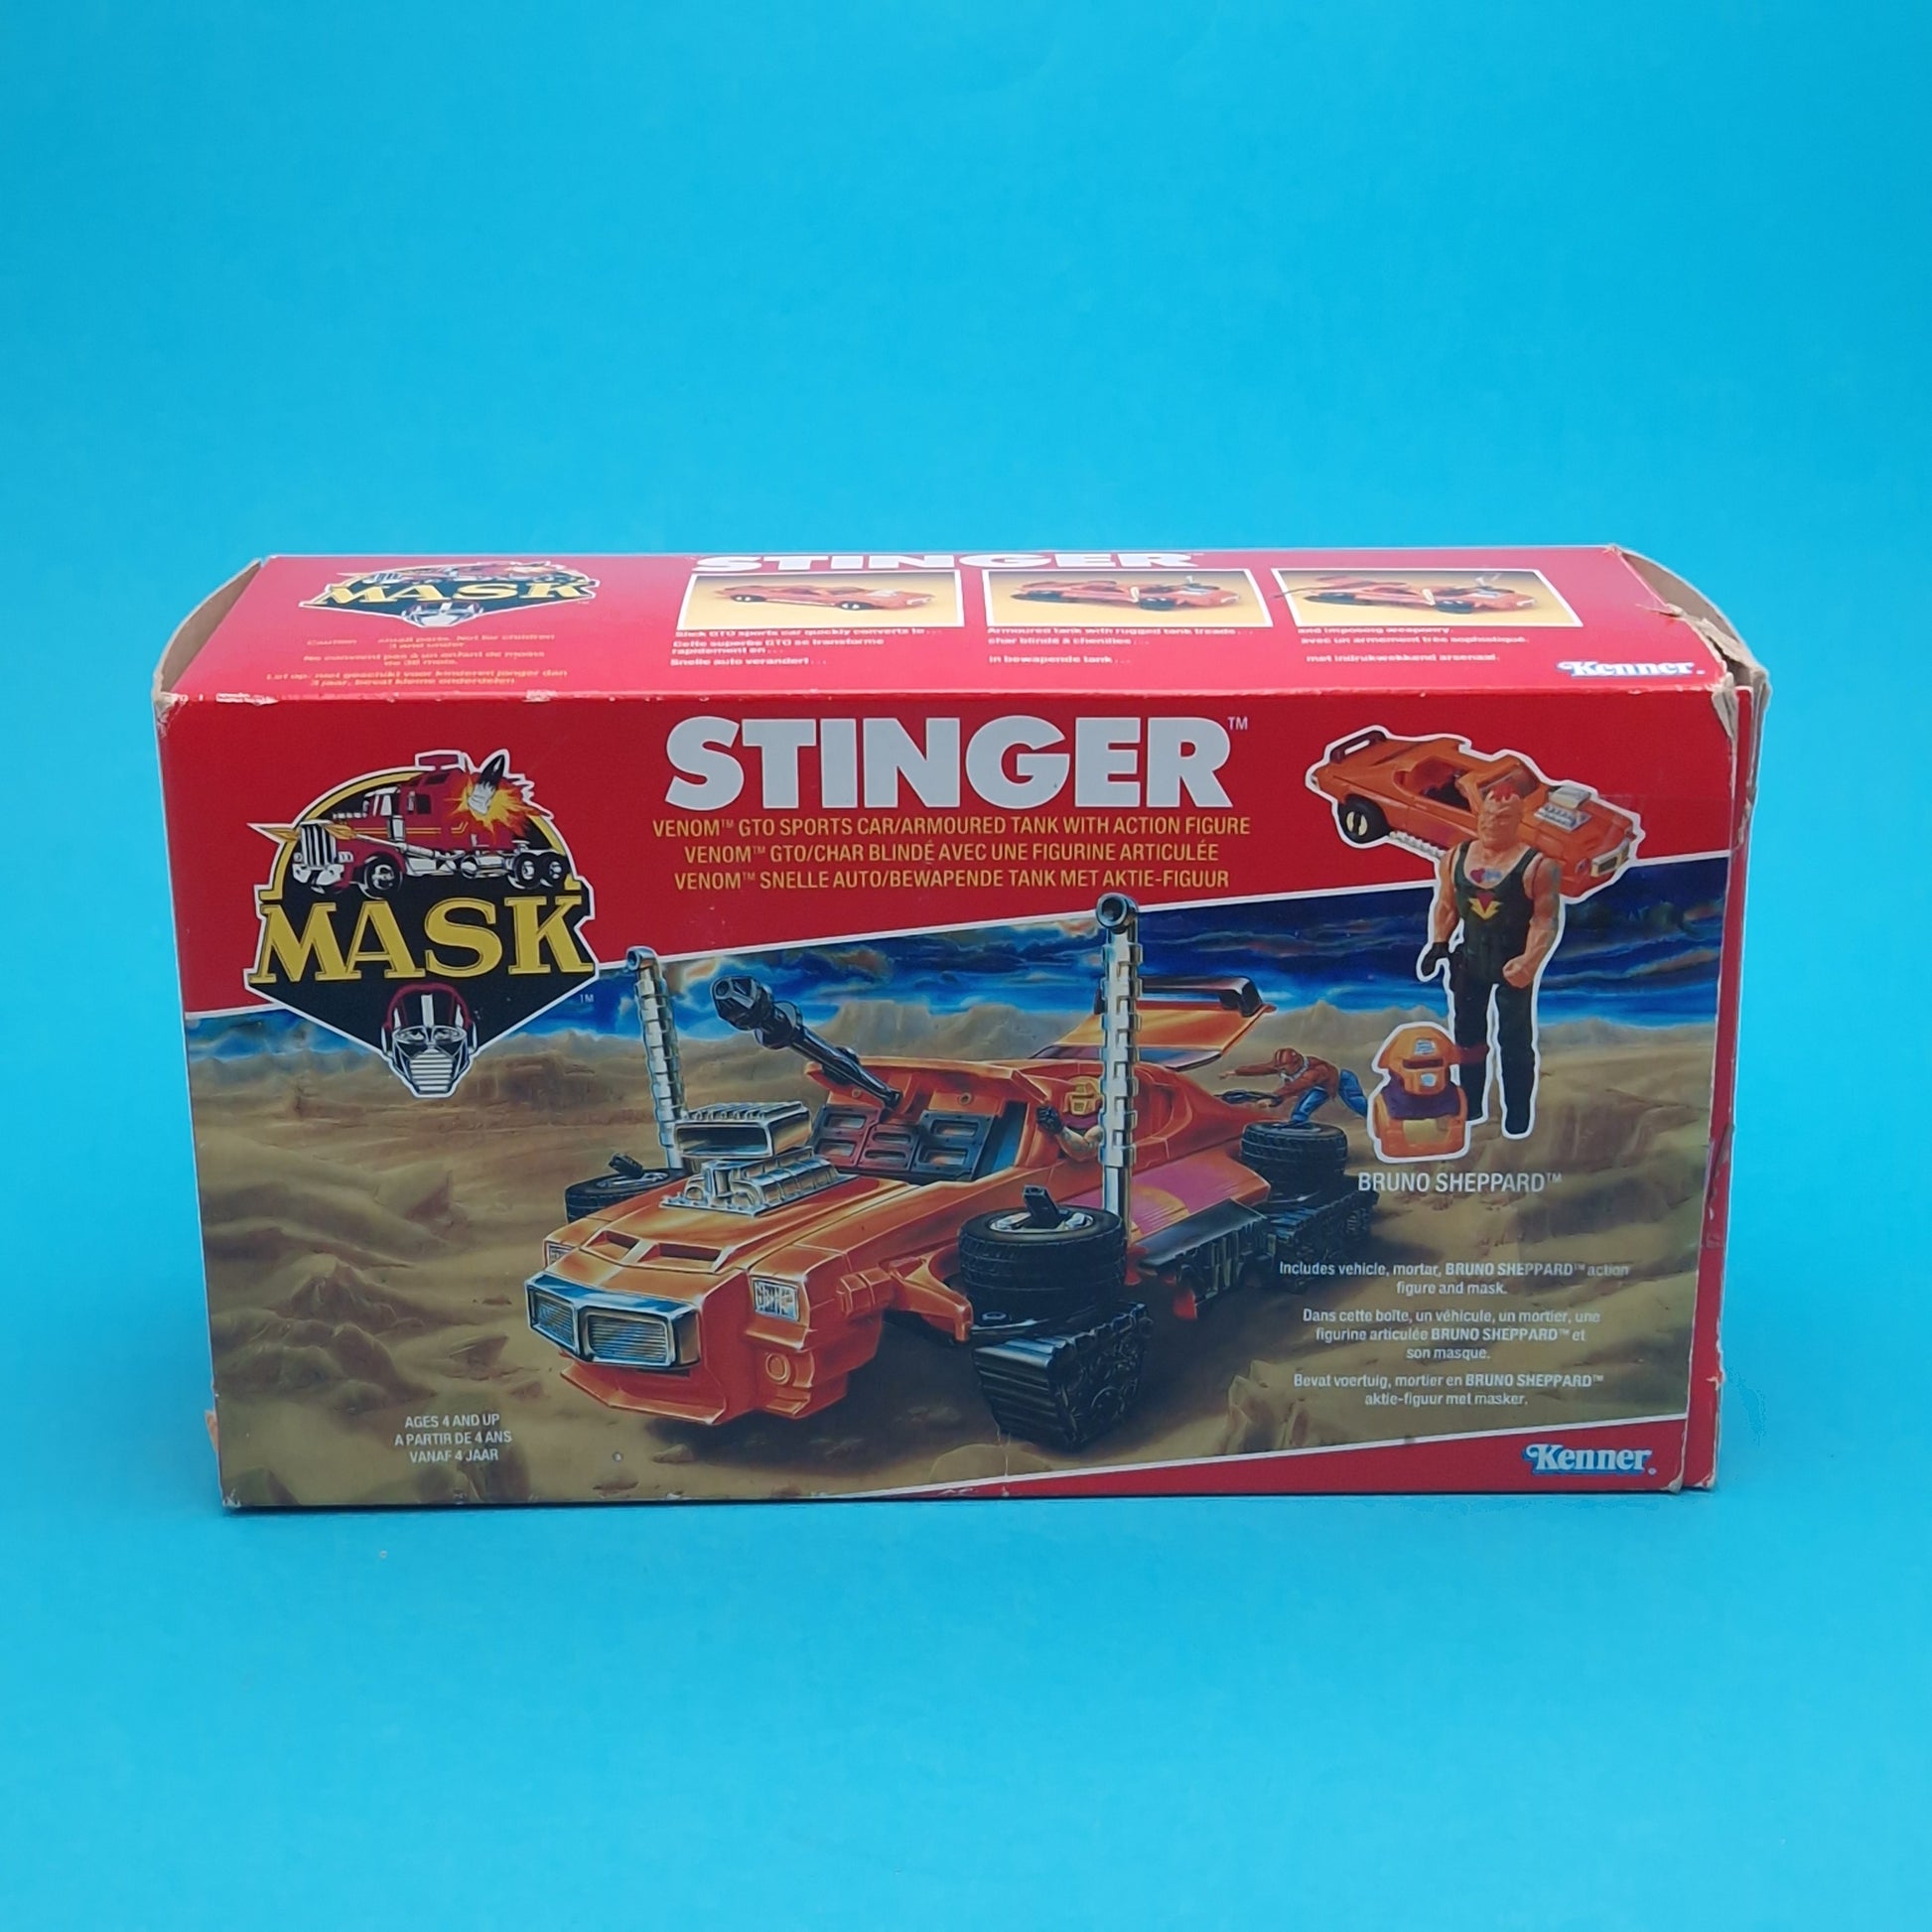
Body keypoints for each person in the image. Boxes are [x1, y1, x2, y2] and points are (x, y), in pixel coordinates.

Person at [1417, 779, 1561, 1137]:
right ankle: (1471, 1106)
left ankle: (1517, 1117)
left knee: (1514, 1042)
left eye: (1502, 818)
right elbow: (1447, 904)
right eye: (1487, 816)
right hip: (1469, 962)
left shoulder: (1537, 866)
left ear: (1518, 819)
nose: (1492, 824)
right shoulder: (1456, 857)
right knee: (1467, 1039)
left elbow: (1545, 920)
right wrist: (1438, 943)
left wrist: (1530, 961)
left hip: (1513, 963)